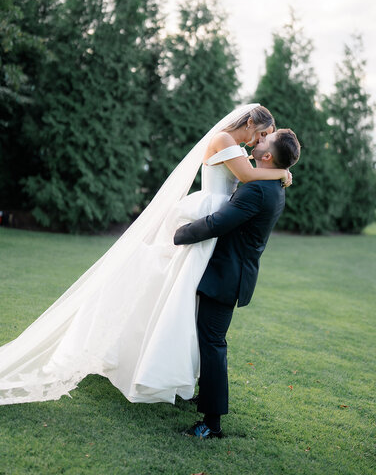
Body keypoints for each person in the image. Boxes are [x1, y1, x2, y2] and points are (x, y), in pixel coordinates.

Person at [0, 104, 290, 406]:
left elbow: (248, 177)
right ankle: (146, 365)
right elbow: (245, 175)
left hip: (215, 220)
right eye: (262, 134)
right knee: (176, 292)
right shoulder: (224, 140)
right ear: (252, 122)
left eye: (265, 138)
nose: (259, 142)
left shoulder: (237, 147)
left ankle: (173, 371)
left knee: (183, 298)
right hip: (207, 216)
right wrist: (282, 171)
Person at [174, 129, 301, 439]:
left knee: (213, 343)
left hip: (228, 275)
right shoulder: (269, 183)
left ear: (268, 156)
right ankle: (196, 394)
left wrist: (177, 234)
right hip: (228, 271)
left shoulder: (259, 191)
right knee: (204, 337)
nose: (256, 142)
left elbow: (219, 223)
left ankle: (211, 423)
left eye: (263, 142)